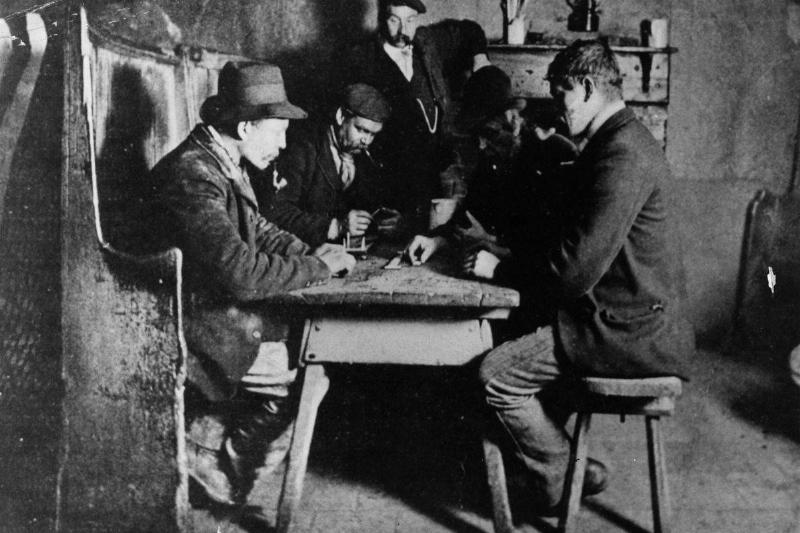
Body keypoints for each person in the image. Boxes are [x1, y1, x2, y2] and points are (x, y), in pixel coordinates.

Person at [441, 40, 693, 513]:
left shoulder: (621, 155)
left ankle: (559, 478)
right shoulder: (615, 142)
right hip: (626, 317)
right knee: (513, 334)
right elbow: (567, 243)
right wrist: (502, 250)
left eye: (561, 96)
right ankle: (567, 470)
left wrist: (500, 267)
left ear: (587, 86)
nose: (557, 109)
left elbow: (573, 272)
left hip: (628, 330)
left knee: (495, 375)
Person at [146, 61, 356, 508]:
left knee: (305, 350)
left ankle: (207, 450)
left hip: (213, 308)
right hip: (185, 317)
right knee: (303, 378)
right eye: (278, 131)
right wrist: (317, 267)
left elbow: (258, 229)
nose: (283, 145)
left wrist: (307, 252)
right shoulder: (194, 174)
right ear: (245, 126)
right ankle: (219, 463)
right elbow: (240, 273)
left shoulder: (222, 160)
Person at [343, 0, 490, 232]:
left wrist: (480, 61)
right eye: (394, 20)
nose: (403, 30)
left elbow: (472, 32)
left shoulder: (428, 42)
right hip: (390, 180)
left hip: (435, 174)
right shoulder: (360, 59)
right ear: (381, 18)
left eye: (410, 20)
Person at [257, 83, 399, 248]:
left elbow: (371, 205)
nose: (365, 140)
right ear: (340, 117)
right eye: (361, 130)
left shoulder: (365, 156)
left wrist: (387, 221)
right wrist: (334, 227)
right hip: (305, 253)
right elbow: (276, 212)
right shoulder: (303, 150)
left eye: (373, 134)